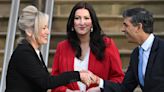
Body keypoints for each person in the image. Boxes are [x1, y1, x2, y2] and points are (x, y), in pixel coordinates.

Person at [5, 5, 92, 92]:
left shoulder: (33, 51)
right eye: (43, 28)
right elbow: (46, 82)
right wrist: (78, 75)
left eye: (47, 27)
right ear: (29, 31)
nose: (48, 32)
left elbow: (44, 82)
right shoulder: (24, 53)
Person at [51, 1, 124, 92]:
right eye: (77, 18)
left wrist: (100, 89)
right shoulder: (62, 47)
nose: (82, 22)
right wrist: (67, 91)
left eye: (86, 18)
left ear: (92, 22)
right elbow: (54, 82)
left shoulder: (107, 45)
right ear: (72, 23)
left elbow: (119, 79)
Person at [92, 7, 164, 92]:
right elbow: (125, 88)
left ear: (138, 27)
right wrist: (99, 82)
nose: (122, 29)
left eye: (126, 25)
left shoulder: (162, 49)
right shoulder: (136, 54)